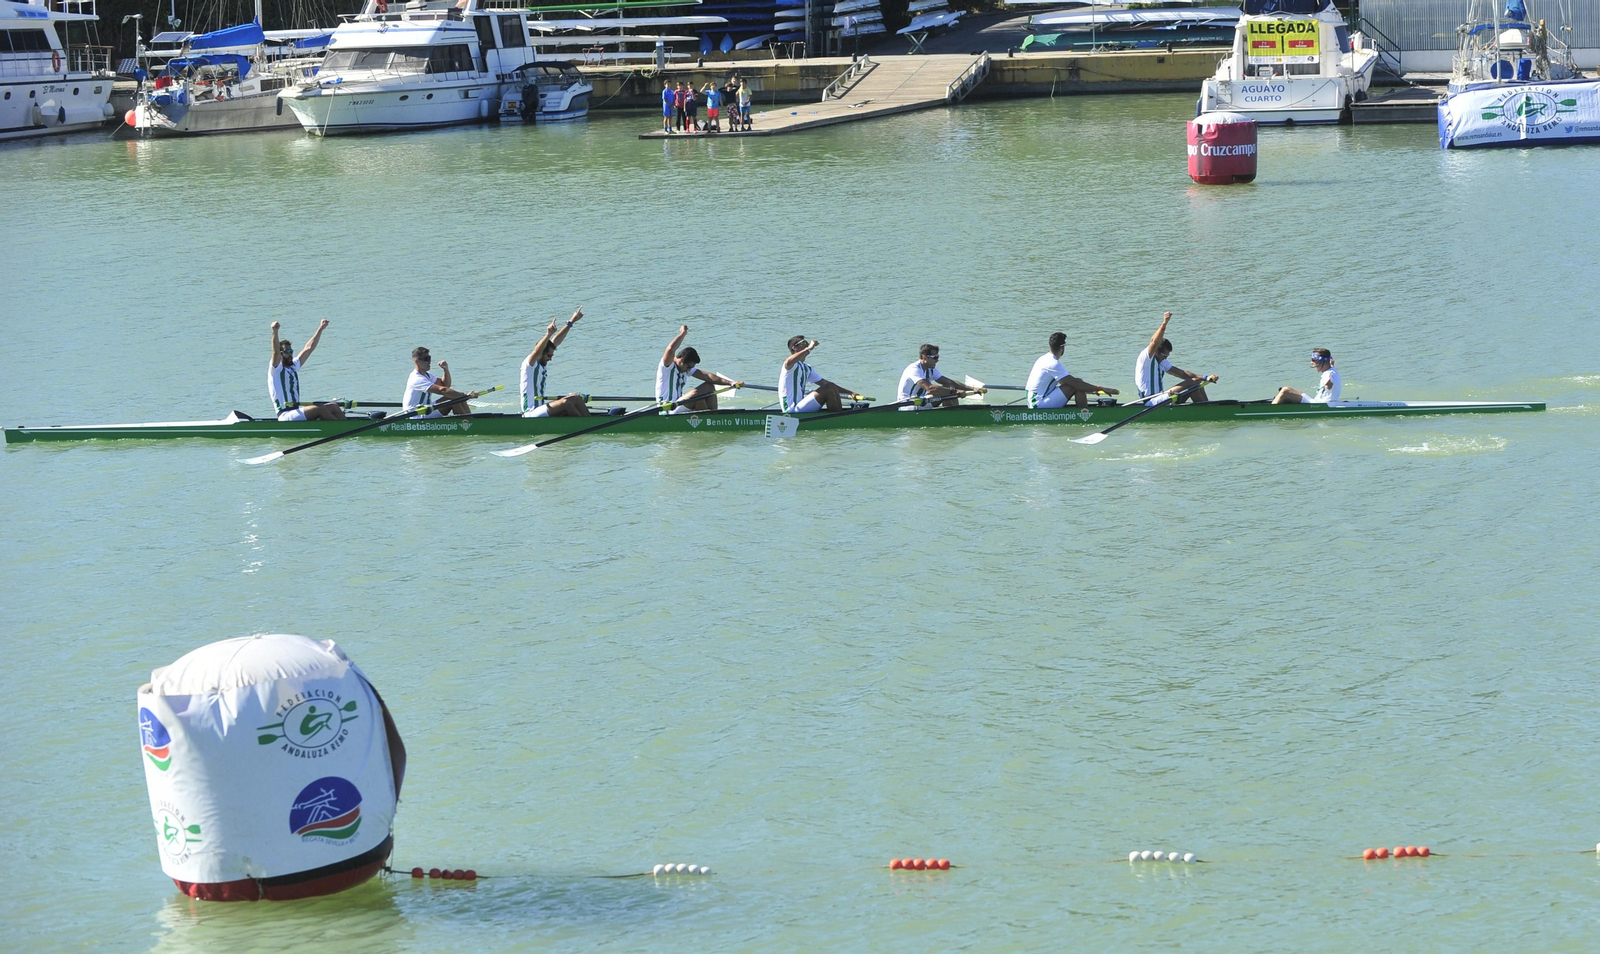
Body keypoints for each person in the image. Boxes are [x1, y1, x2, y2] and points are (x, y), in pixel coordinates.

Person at [269, 320, 345, 422]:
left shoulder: (293, 366)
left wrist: (321, 328)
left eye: (291, 351)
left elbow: (308, 348)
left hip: (296, 412)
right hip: (285, 415)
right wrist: (275, 332)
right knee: (319, 408)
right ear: (281, 354)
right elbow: (275, 351)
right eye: (287, 351)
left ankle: (347, 426)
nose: (291, 354)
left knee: (333, 407)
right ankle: (339, 428)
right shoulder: (276, 369)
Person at [521, 307, 591, 418]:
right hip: (531, 412)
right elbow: (536, 351)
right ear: (541, 354)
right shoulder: (530, 364)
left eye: (552, 355)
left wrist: (571, 321)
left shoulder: (542, 362)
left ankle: (590, 421)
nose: (551, 358)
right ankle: (586, 426)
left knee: (576, 398)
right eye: (549, 355)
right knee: (566, 402)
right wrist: (548, 334)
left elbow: (555, 341)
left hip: (541, 409)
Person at [657, 324, 743, 412]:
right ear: (681, 360)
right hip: (667, 409)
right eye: (689, 367)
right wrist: (683, 333)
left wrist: (731, 383)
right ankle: (709, 421)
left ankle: (714, 418)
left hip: (679, 405)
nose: (689, 370)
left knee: (709, 386)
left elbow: (708, 376)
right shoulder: (667, 366)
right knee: (696, 396)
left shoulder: (685, 368)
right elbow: (670, 349)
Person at [1026, 332, 1119, 408]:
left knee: (1077, 384)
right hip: (1037, 405)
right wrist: (1100, 389)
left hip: (1035, 400)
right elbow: (1075, 384)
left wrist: (1092, 390)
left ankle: (1083, 412)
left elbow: (1065, 383)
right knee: (1077, 384)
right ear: (1062, 348)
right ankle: (1085, 415)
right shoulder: (1052, 363)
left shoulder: (1043, 358)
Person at [1134, 311, 1209, 405]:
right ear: (1157, 351)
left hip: (1161, 398)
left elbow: (1182, 373)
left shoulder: (1161, 361)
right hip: (1151, 402)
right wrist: (1164, 323)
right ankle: (1205, 410)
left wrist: (1205, 378)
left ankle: (1207, 405)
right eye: (1164, 356)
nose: (1165, 358)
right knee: (1192, 383)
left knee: (1196, 382)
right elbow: (1154, 342)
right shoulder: (1146, 358)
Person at [779, 336, 861, 413]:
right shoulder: (790, 366)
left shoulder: (807, 368)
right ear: (794, 347)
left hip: (801, 406)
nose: (807, 345)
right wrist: (809, 348)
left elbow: (826, 384)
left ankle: (838, 414)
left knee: (831, 386)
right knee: (827, 389)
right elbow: (788, 362)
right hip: (791, 410)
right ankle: (836, 418)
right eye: (804, 343)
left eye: (807, 343)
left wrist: (850, 393)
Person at [897, 344, 983, 408]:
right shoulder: (914, 369)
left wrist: (973, 388)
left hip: (921, 400)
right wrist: (955, 391)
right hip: (907, 404)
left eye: (937, 357)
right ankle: (953, 416)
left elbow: (949, 382)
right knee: (948, 392)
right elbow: (930, 388)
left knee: (949, 387)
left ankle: (955, 414)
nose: (937, 360)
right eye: (935, 357)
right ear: (924, 357)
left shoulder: (930, 369)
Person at [402, 347, 481, 417]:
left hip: (426, 409)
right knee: (453, 397)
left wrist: (445, 369)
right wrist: (465, 396)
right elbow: (442, 390)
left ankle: (469, 419)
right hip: (415, 414)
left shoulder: (427, 375)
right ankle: (468, 422)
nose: (429, 361)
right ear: (417, 362)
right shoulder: (416, 378)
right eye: (426, 359)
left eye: (429, 358)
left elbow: (445, 385)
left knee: (455, 396)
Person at [1273, 348, 1342, 404]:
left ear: (1321, 362)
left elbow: (1329, 385)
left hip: (1319, 404)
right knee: (1291, 391)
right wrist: (1332, 364)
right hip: (1322, 401)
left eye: (1313, 360)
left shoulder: (1327, 375)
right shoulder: (1332, 369)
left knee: (1285, 390)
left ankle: (1271, 409)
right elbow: (1331, 370)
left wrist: (1328, 384)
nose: (1311, 362)